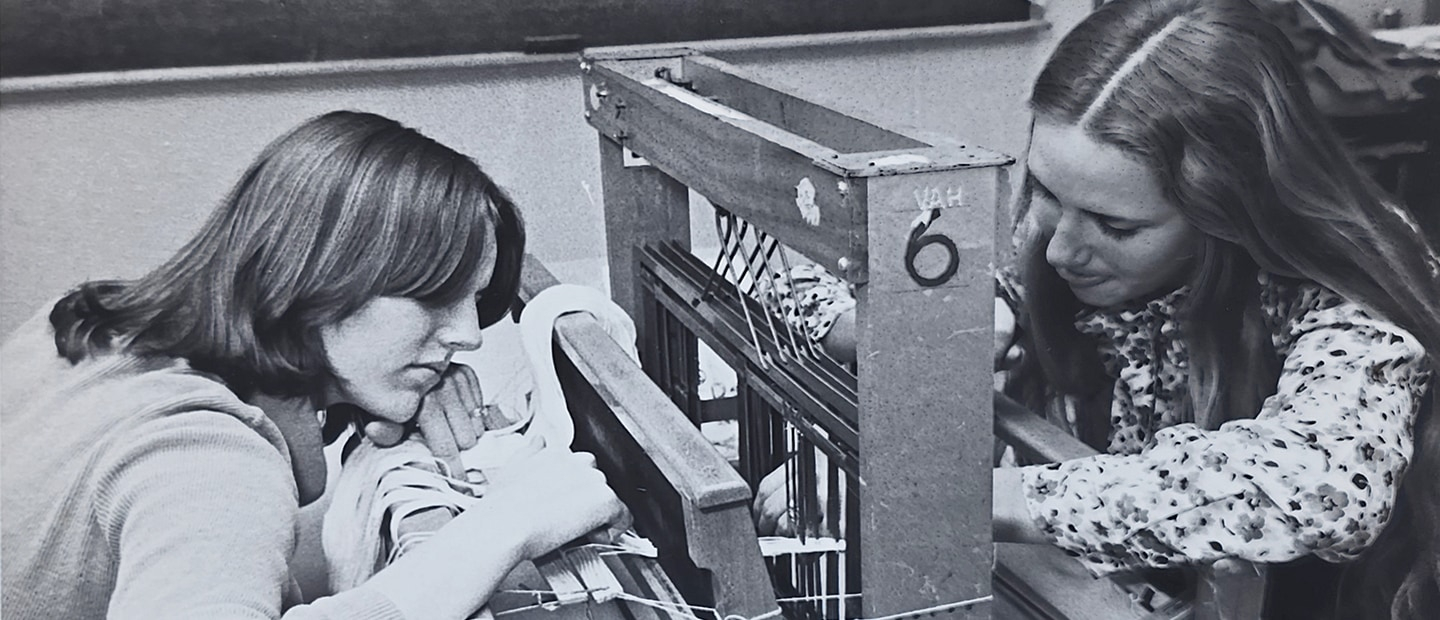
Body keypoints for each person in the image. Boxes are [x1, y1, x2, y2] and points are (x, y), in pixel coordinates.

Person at [758, 0, 1440, 617]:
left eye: (1116, 228)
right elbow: (777, 288)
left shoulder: (1343, 292)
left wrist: (944, 493)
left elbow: (1322, 483)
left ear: (1227, 212)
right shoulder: (1057, 240)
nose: (1058, 250)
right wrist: (914, 327)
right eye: (1046, 192)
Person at [0, 111, 628, 619]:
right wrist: (499, 531)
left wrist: (371, 393)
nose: (466, 335)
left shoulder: (89, 327)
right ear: (316, 278)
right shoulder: (208, 459)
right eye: (431, 296)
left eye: (472, 299)